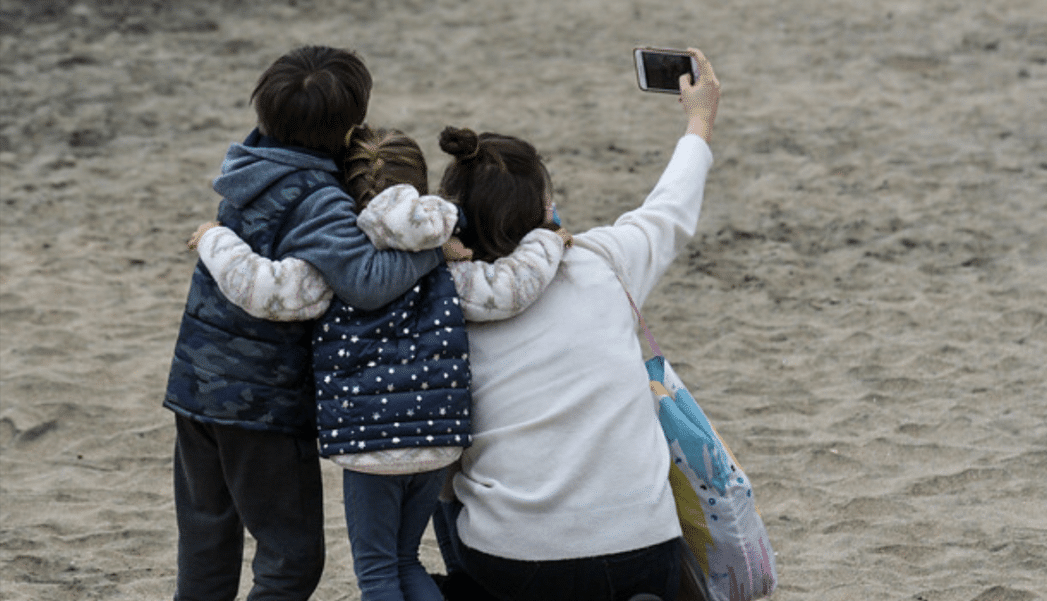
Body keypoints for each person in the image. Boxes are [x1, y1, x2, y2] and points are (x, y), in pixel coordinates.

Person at [188, 125, 573, 601]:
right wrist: (548, 239)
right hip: (437, 442)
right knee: (408, 561)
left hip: (371, 448)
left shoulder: (332, 266)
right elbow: (511, 289)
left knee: (377, 575)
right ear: (421, 184)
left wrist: (214, 238)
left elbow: (264, 288)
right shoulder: (448, 261)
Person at [431, 48, 720, 601]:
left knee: (448, 489)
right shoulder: (603, 260)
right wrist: (698, 121)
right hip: (645, 545)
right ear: (546, 210)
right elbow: (670, 209)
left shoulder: (442, 302)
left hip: (517, 560)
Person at [163, 46, 443, 601]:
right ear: (349, 128)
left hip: (195, 386)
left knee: (205, 540)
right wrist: (436, 251)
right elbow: (365, 282)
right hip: (262, 408)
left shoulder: (246, 166)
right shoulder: (318, 201)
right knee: (292, 560)